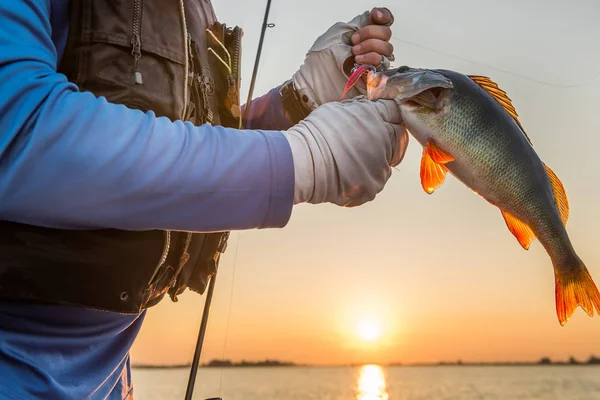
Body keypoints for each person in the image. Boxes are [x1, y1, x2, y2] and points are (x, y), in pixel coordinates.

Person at [0, 1, 406, 399]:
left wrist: (300, 100)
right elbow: (18, 127)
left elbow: (186, 142)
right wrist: (304, 159)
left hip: (111, 383)